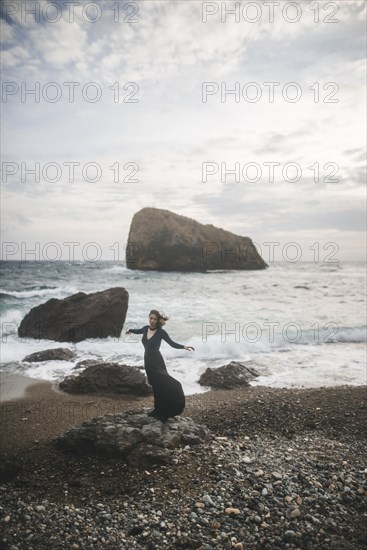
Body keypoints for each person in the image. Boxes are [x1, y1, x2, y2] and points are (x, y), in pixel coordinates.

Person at [126, 309, 194, 422]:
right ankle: (158, 409)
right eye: (151, 318)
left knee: (167, 383)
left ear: (158, 321)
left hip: (157, 361)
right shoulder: (145, 328)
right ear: (148, 318)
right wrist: (130, 330)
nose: (152, 320)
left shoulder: (161, 332)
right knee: (155, 385)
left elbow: (172, 343)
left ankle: (168, 409)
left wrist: (184, 346)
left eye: (154, 319)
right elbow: (137, 331)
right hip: (147, 361)